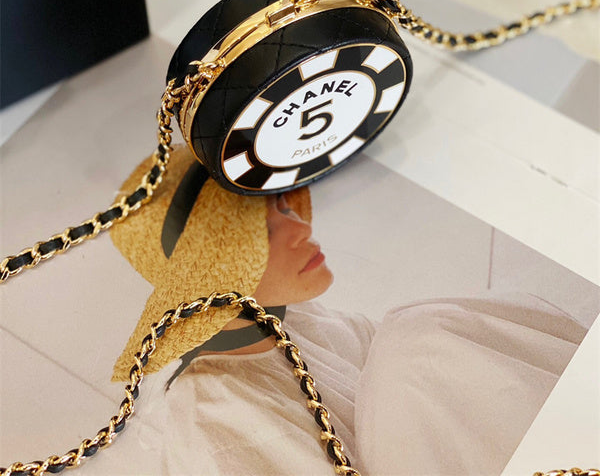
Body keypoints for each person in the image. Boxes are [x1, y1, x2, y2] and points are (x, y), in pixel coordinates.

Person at [110, 146, 586, 475]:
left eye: (284, 208)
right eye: (262, 233)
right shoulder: (209, 417)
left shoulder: (298, 322)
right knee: (415, 340)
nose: (301, 229)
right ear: (211, 273)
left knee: (416, 335)